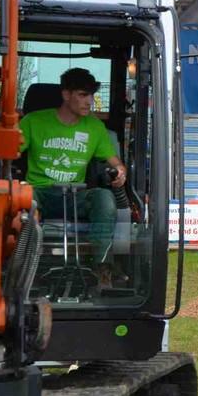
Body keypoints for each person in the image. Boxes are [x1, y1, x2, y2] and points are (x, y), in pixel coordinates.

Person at [19, 67, 127, 263]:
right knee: (22, 199)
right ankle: (23, 265)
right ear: (66, 95)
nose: (89, 101)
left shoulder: (95, 127)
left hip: (74, 195)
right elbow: (8, 152)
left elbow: (115, 161)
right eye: (83, 95)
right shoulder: (33, 121)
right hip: (38, 192)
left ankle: (102, 266)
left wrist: (120, 171)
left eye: (91, 95)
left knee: (104, 198)